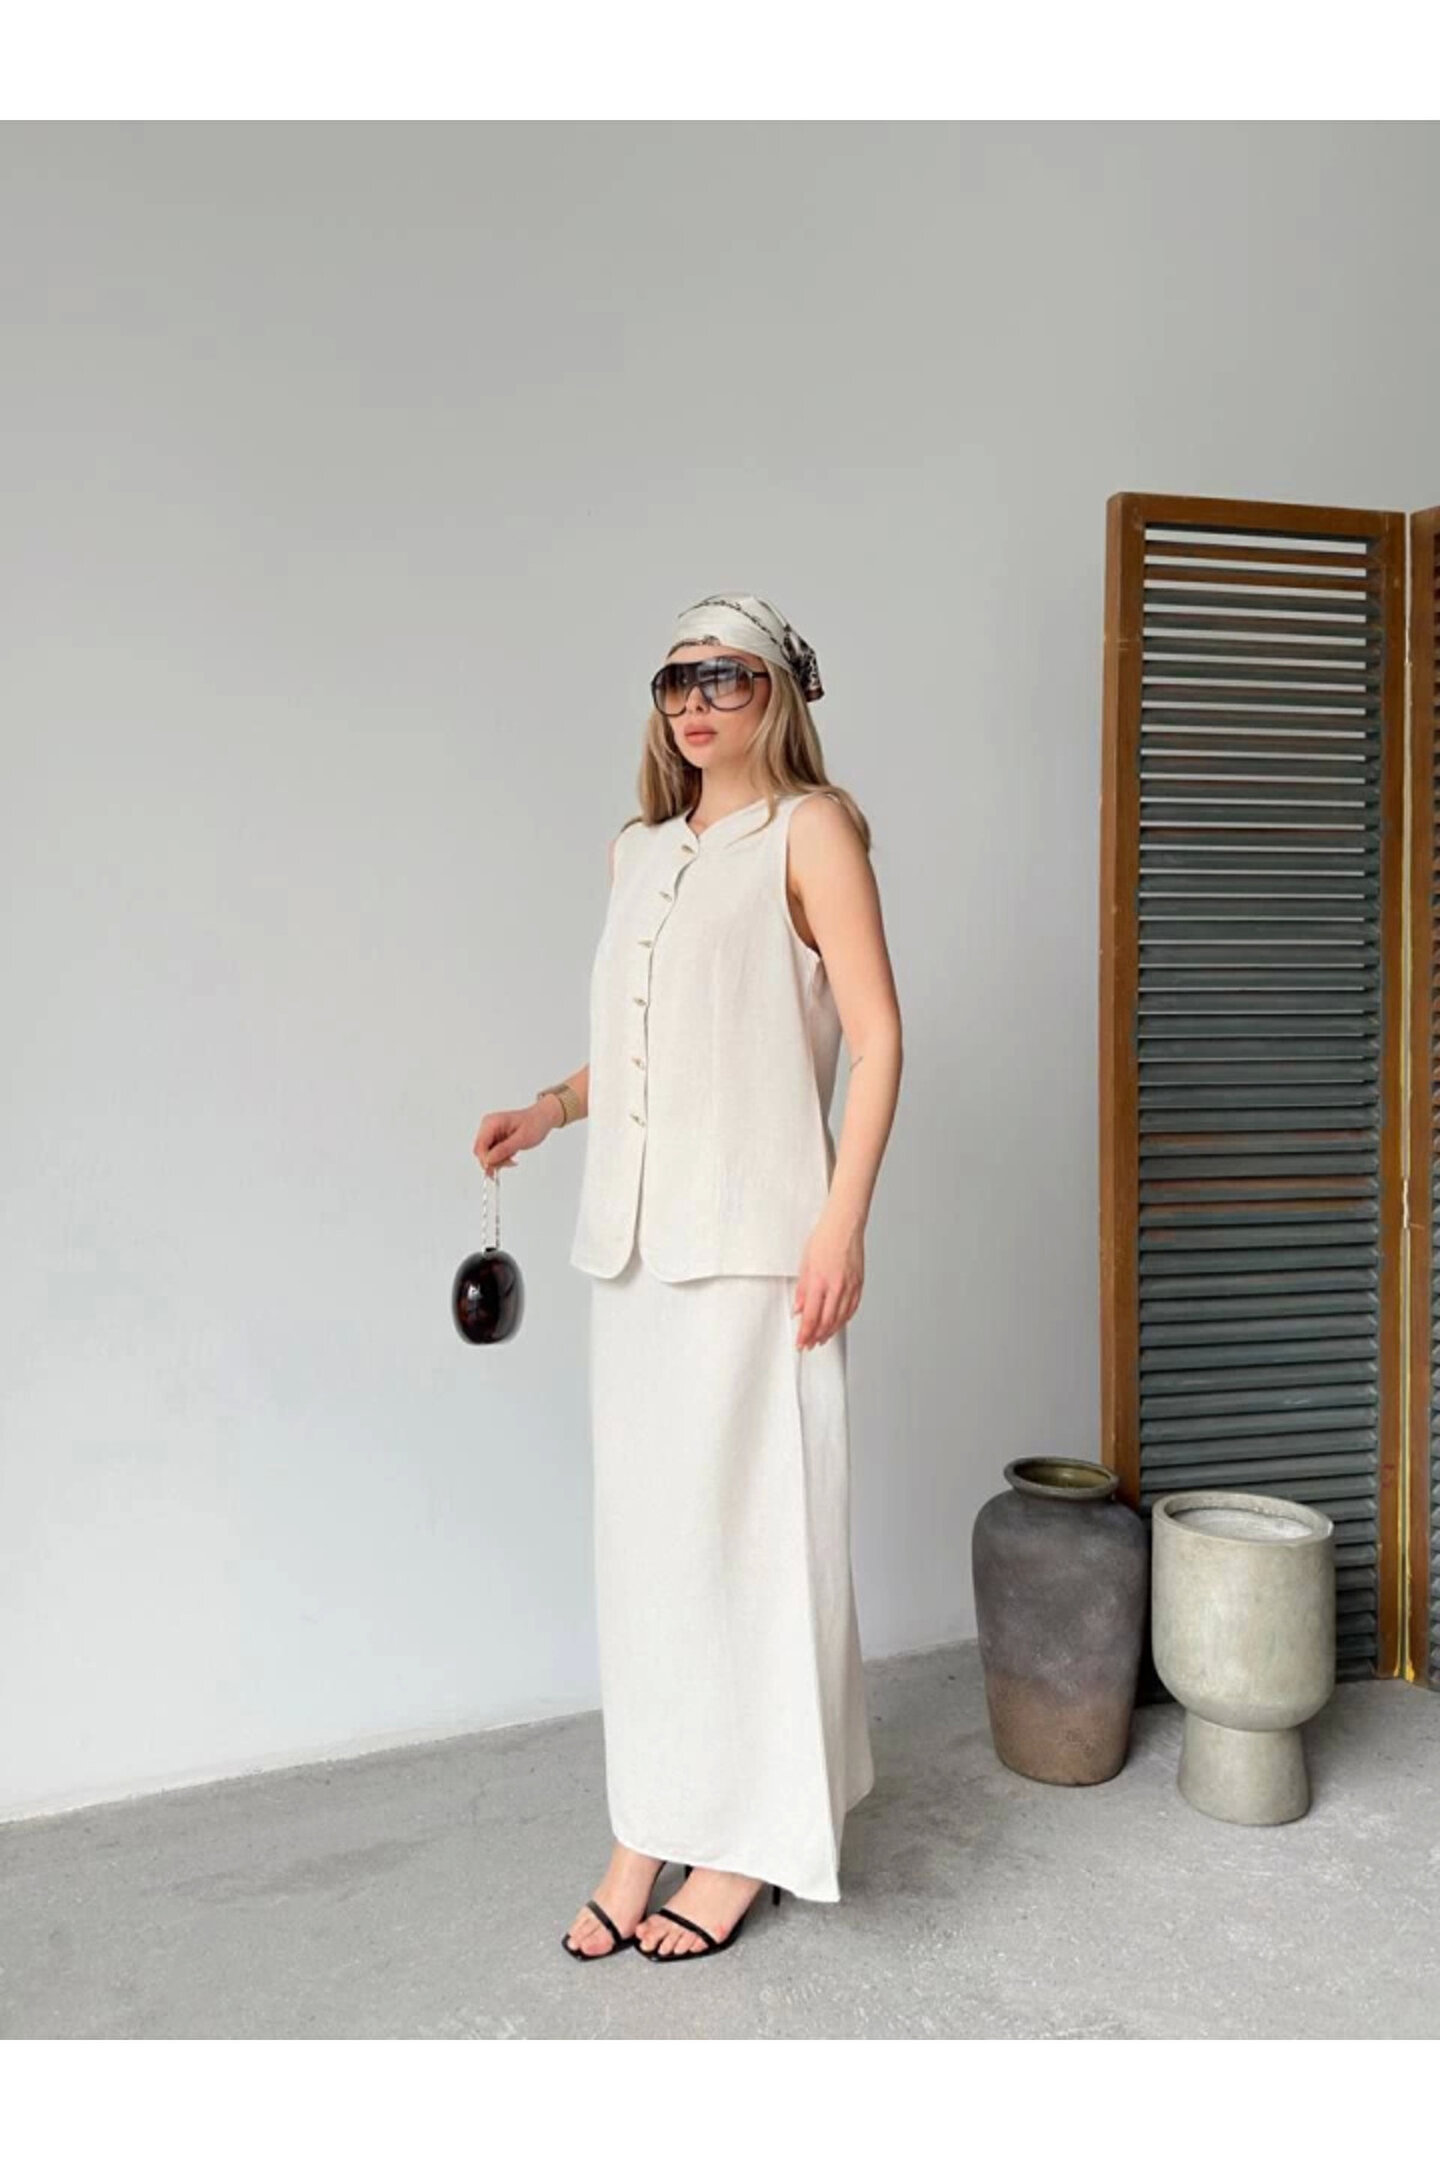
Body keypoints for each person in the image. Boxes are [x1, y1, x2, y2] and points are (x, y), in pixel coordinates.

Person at [474, 592, 903, 1962]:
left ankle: (747, 1844)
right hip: (637, 1251)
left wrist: (842, 1224)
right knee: (652, 1562)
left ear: (780, 690)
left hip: (762, 1251)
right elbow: (651, 1045)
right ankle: (645, 1829)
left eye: (725, 677)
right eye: (675, 682)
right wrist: (551, 1108)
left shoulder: (813, 831)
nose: (696, 703)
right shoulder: (639, 852)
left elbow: (878, 1038)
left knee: (754, 1549)